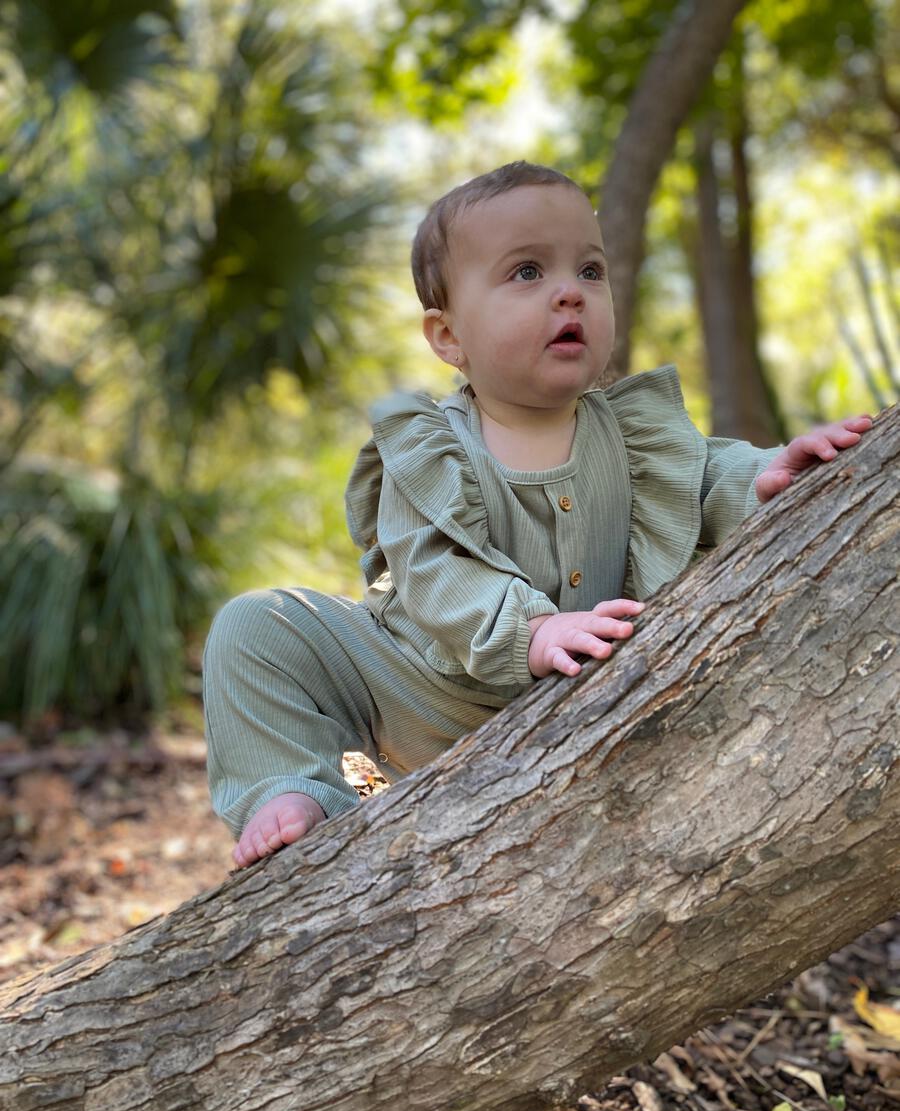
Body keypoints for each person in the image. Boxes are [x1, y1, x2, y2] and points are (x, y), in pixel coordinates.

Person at [203, 160, 871, 870]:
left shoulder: (634, 433)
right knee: (255, 627)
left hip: (577, 698)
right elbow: (434, 572)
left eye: (589, 270)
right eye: (526, 273)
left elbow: (706, 477)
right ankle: (296, 791)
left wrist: (769, 475)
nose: (569, 295)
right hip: (420, 687)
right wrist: (532, 627)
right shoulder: (429, 448)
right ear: (447, 337)